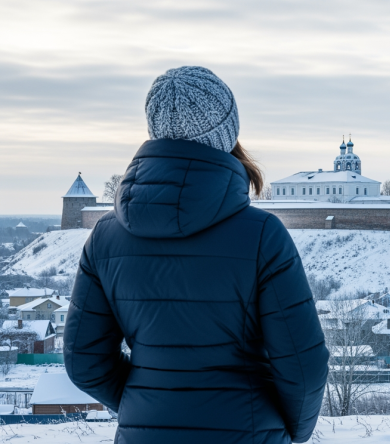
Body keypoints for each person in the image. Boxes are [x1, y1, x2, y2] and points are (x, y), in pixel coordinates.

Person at [64, 66, 329, 444]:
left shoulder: (104, 237)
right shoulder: (262, 235)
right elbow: (304, 365)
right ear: (226, 132)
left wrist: (147, 403)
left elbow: (83, 361)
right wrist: (291, 432)